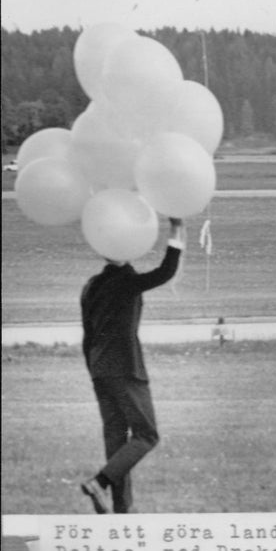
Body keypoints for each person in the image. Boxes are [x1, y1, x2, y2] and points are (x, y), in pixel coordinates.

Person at [79, 217, 186, 514]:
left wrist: (94, 370)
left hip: (100, 370)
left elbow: (87, 337)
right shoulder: (127, 281)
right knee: (147, 435)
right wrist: (176, 231)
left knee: (116, 438)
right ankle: (99, 483)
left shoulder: (91, 286)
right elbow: (166, 271)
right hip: (126, 368)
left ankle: (122, 509)